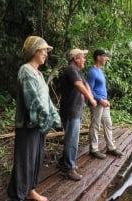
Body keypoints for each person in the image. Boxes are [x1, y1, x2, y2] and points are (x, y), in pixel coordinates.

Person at [7, 36, 62, 201]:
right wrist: (47, 118)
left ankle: (30, 190)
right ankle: (18, 196)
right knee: (25, 161)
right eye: (43, 50)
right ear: (34, 51)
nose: (46, 54)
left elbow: (46, 100)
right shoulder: (26, 70)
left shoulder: (39, 73)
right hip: (28, 124)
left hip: (39, 124)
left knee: (36, 158)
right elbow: (34, 101)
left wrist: (56, 118)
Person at [58, 48, 97, 181]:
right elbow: (79, 85)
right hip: (70, 111)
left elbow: (86, 86)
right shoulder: (70, 70)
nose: (84, 60)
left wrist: (90, 96)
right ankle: (69, 168)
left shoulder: (78, 72)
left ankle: (64, 163)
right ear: (75, 59)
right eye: (82, 57)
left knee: (72, 138)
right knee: (72, 140)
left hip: (76, 110)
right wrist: (91, 100)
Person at [87, 49, 122, 159]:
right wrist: (99, 99)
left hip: (104, 102)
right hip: (97, 103)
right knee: (95, 125)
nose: (106, 58)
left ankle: (110, 147)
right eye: (104, 56)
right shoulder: (92, 72)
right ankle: (94, 149)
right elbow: (89, 90)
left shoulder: (100, 71)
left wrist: (105, 99)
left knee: (108, 123)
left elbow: (100, 88)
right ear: (98, 57)